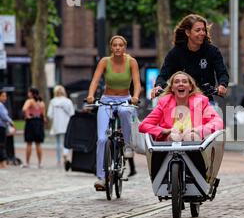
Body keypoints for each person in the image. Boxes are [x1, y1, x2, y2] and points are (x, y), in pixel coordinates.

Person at [86, 35, 141, 191]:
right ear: (111, 47)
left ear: (125, 47)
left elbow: (137, 83)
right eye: (115, 45)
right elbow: (95, 81)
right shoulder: (104, 62)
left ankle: (128, 145)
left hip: (125, 99)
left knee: (124, 112)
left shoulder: (132, 62)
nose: (117, 48)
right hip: (107, 99)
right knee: (103, 139)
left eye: (120, 45)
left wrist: (135, 96)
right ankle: (101, 178)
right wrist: (91, 95)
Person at [151, 14, 229, 102]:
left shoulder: (213, 51)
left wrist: (222, 85)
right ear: (188, 32)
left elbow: (222, 72)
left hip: (205, 101)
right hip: (180, 102)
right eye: (198, 30)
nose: (202, 33)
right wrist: (158, 86)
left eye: (204, 30)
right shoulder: (175, 53)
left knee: (214, 115)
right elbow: (163, 75)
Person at [139, 71, 223, 141]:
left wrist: (196, 130)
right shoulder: (164, 103)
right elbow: (143, 125)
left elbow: (218, 123)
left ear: (190, 87)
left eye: (184, 81)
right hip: (169, 145)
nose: (180, 84)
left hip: (195, 143)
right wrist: (164, 131)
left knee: (190, 137)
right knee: (174, 137)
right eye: (176, 82)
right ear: (172, 88)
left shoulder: (201, 102)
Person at [47, 85, 75, 167]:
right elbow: (72, 113)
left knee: (58, 143)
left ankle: (58, 160)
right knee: (66, 142)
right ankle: (65, 154)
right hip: (66, 124)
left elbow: (50, 115)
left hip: (56, 124)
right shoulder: (68, 101)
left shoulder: (53, 101)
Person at [22, 87, 47, 168]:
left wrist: (27, 116)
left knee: (29, 143)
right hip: (39, 123)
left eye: (29, 92)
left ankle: (27, 163)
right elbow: (43, 116)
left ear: (31, 93)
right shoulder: (42, 103)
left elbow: (24, 109)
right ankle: (40, 163)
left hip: (31, 122)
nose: (28, 94)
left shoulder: (29, 101)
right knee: (38, 143)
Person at [0, 90, 15, 169]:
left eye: (5, 96)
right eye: (3, 96)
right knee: (2, 145)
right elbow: (4, 116)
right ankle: (2, 163)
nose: (5, 98)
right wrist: (11, 122)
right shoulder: (0, 105)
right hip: (1, 127)